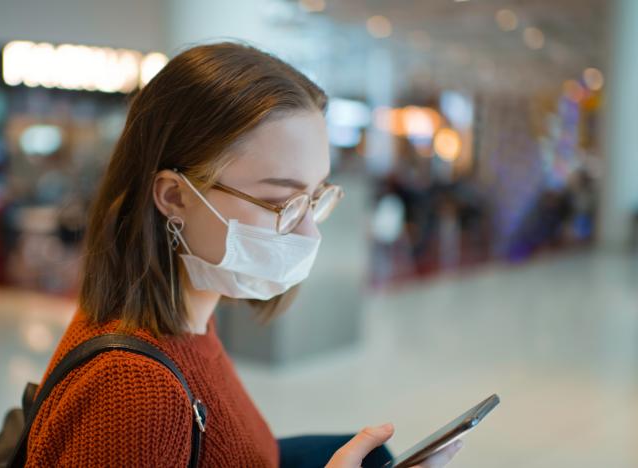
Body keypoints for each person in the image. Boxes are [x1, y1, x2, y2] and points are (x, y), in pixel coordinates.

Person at [23, 41, 462, 468]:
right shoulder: (131, 390)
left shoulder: (190, 322)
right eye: (280, 202)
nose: (309, 230)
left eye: (315, 198)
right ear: (175, 196)